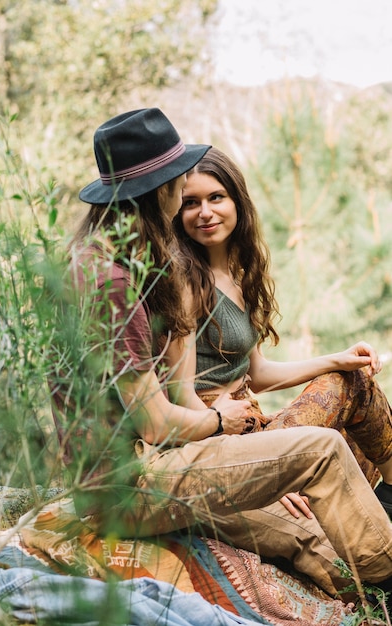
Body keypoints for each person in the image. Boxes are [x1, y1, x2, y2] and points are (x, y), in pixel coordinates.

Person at [49, 109, 392, 607]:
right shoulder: (113, 284)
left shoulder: (100, 264)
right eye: (183, 184)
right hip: (132, 486)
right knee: (322, 451)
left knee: (314, 510)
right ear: (160, 189)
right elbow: (158, 424)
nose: (191, 193)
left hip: (135, 473)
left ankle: (375, 562)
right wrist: (220, 421)